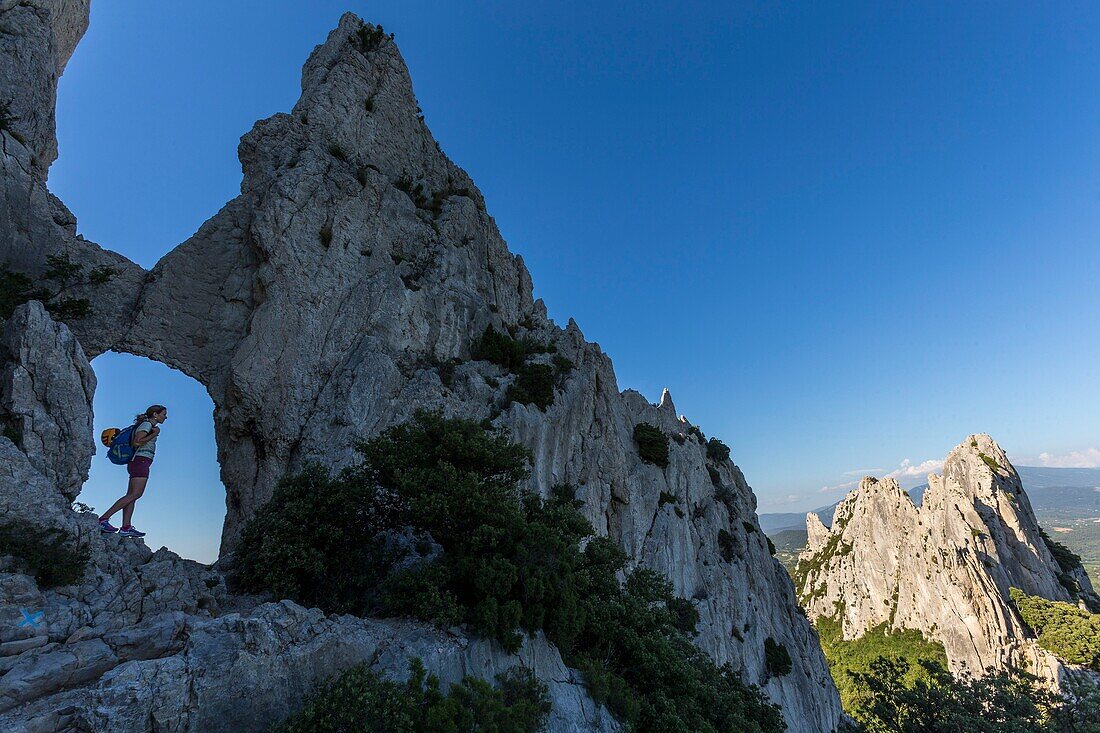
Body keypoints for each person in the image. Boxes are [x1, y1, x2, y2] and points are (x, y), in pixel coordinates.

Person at [98, 405, 167, 538]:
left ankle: (126, 527)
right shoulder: (147, 425)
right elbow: (137, 442)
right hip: (140, 461)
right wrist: (154, 434)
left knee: (131, 495)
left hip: (139, 462)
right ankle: (103, 519)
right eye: (163, 414)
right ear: (155, 414)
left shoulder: (147, 425)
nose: (166, 417)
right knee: (136, 494)